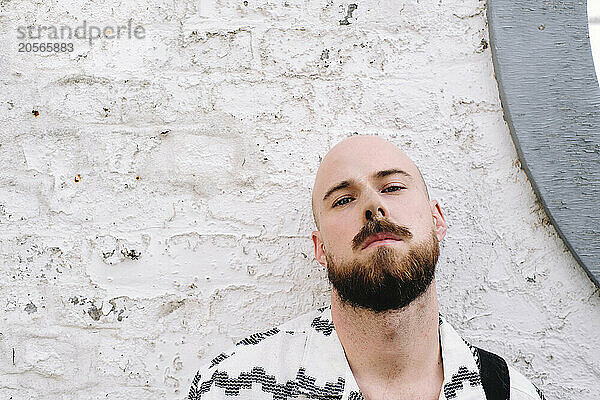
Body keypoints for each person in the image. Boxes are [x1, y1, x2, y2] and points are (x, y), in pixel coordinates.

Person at [188, 135, 545, 400]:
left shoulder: (508, 392)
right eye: (344, 199)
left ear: (437, 220)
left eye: (392, 187)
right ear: (321, 248)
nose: (373, 206)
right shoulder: (232, 385)